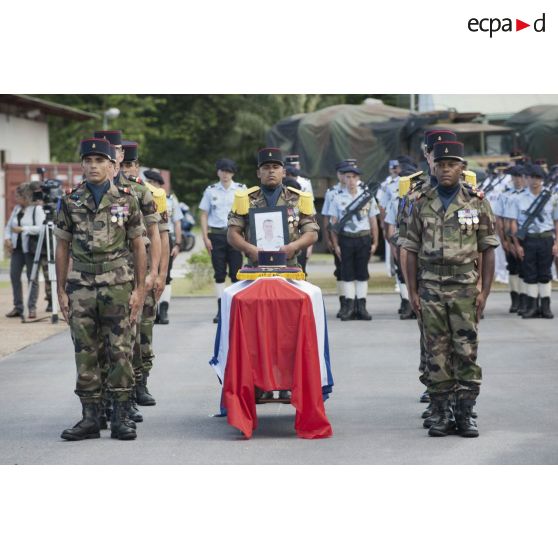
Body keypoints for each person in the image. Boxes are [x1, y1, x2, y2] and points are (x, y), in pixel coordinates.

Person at [404, 141, 499, 438]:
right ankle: (441, 413)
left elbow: (488, 248)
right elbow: (409, 248)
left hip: (465, 287)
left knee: (466, 351)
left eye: (452, 164)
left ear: (462, 168)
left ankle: (466, 413)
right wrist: (412, 291)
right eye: (441, 164)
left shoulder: (477, 201)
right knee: (436, 352)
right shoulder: (421, 201)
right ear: (432, 166)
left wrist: (484, 291)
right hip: (430, 285)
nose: (445, 169)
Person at [55, 138, 146, 441]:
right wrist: (61, 290)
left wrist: (139, 290)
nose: (93, 166)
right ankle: (90, 418)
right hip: (81, 287)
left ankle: (121, 417)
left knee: (120, 351)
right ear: (81, 164)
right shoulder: (70, 201)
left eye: (99, 161)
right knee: (85, 352)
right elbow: (62, 246)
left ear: (111, 165)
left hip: (118, 285)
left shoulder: (127, 199)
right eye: (88, 161)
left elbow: (138, 245)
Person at [227, 147, 319, 400]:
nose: (271, 171)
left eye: (275, 167)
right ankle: (257, 384)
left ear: (283, 171)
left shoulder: (298, 198)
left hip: (289, 271)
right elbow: (232, 233)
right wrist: (250, 249)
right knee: (256, 333)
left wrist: (293, 246)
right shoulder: (246, 198)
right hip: (255, 273)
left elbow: (312, 232)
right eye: (266, 168)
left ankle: (289, 382)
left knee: (289, 331)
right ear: (258, 172)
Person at [121, 140, 170, 408]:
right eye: (123, 164)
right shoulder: (114, 191)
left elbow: (162, 236)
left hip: (145, 271)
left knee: (144, 331)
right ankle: (122, 388)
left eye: (130, 164)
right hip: (120, 269)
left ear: (137, 166)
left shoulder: (153, 194)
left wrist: (160, 272)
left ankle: (142, 382)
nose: (126, 169)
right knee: (122, 333)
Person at [329, 165, 379, 321]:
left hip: (363, 238)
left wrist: (375, 242)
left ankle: (362, 307)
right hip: (346, 239)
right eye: (348, 177)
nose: (351, 180)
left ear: (358, 179)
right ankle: (349, 307)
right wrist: (335, 244)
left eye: (354, 177)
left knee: (362, 273)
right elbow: (333, 224)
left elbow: (373, 221)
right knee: (347, 273)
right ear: (343, 178)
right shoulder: (337, 198)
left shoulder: (367, 197)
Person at [199, 159, 245, 323]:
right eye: (222, 171)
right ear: (218, 172)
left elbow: (247, 214)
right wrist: (205, 237)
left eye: (229, 171)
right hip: (217, 235)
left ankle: (235, 308)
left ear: (233, 173)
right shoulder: (211, 191)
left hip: (236, 235)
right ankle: (221, 309)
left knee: (236, 273)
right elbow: (204, 214)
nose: (225, 174)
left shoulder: (241, 190)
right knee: (219, 273)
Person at [510, 164, 558, 319]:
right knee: (529, 273)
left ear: (542, 180)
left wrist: (557, 243)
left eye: (538, 178)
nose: (535, 181)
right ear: (527, 179)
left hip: (546, 239)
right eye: (532, 177)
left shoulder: (551, 198)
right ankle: (531, 307)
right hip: (528, 240)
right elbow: (513, 223)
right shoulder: (519, 199)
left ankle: (546, 307)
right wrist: (517, 245)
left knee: (545, 273)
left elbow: (556, 222)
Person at [4, 183, 45, 319]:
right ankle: (18, 307)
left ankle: (31, 307)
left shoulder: (36, 210)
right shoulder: (16, 209)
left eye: (18, 196)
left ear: (26, 197)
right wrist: (8, 238)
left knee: (31, 278)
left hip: (31, 250)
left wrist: (23, 229)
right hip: (17, 249)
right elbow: (9, 226)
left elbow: (41, 228)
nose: (16, 199)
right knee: (14, 276)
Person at [321, 159, 356, 317]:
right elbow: (327, 217)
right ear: (338, 174)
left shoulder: (361, 190)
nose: (346, 177)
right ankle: (344, 303)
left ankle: (357, 303)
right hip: (339, 237)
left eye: (350, 173)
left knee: (358, 271)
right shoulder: (332, 192)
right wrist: (328, 238)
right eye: (343, 173)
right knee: (341, 271)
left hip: (356, 237)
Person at [147, 169, 182, 325]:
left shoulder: (170, 200)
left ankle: (164, 310)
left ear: (157, 184)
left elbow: (177, 222)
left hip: (167, 239)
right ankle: (153, 310)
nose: (149, 184)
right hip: (150, 239)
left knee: (165, 276)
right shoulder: (144, 197)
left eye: (152, 182)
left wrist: (178, 244)